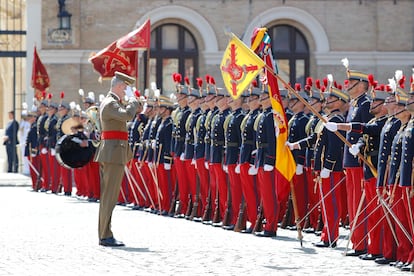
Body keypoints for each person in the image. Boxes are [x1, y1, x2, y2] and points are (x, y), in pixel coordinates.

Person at [94, 71, 140, 247]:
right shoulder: (110, 103)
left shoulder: (112, 102)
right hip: (113, 154)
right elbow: (127, 115)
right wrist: (133, 101)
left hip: (114, 152)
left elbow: (129, 112)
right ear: (119, 86)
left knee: (109, 196)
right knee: (109, 197)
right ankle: (105, 235)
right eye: (125, 88)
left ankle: (105, 233)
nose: (125, 92)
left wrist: (133, 103)